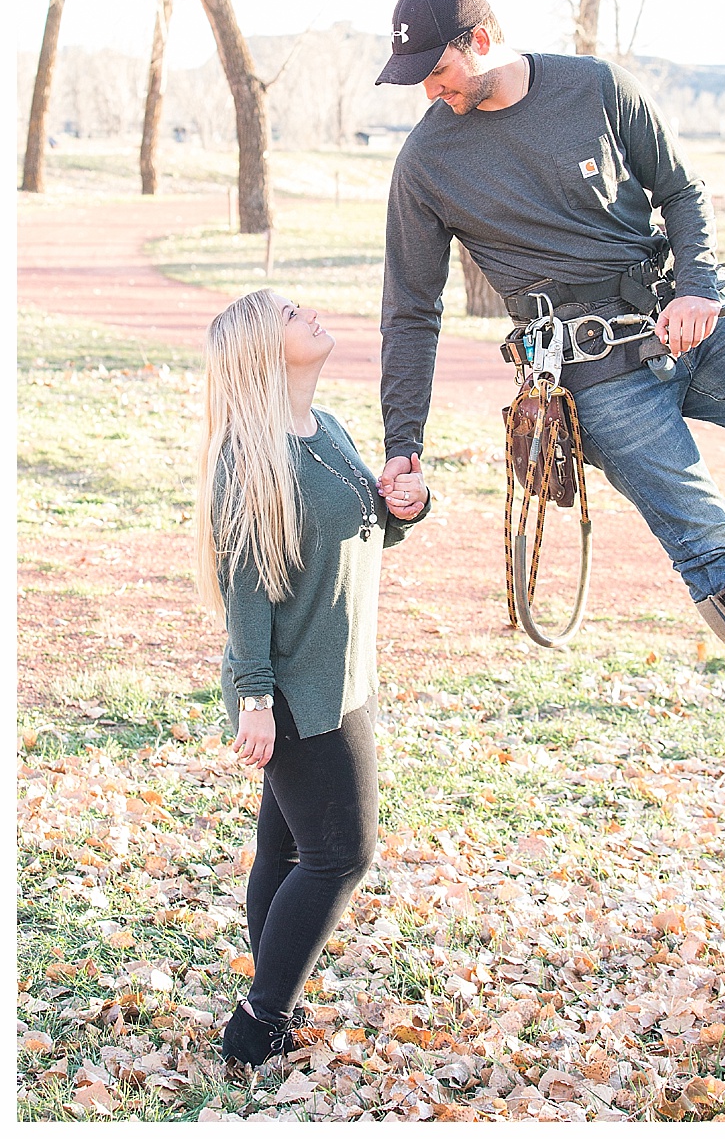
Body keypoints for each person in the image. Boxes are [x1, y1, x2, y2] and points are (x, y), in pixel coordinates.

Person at [371, 0, 725, 779]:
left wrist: (696, 285)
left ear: (480, 40)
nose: (429, 93)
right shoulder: (427, 161)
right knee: (710, 544)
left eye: (435, 72)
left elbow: (681, 190)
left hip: (687, 328)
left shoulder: (599, 88)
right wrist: (403, 440)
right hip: (593, 378)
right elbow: (410, 310)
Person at [196, 290, 429, 1067]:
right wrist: (254, 699)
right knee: (341, 854)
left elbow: (363, 530)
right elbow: (248, 590)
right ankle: (257, 1024)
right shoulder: (250, 458)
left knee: (290, 849)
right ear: (266, 348)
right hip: (292, 692)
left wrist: (404, 505)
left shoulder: (325, 429)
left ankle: (270, 1005)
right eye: (293, 314)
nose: (314, 316)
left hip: (339, 675)